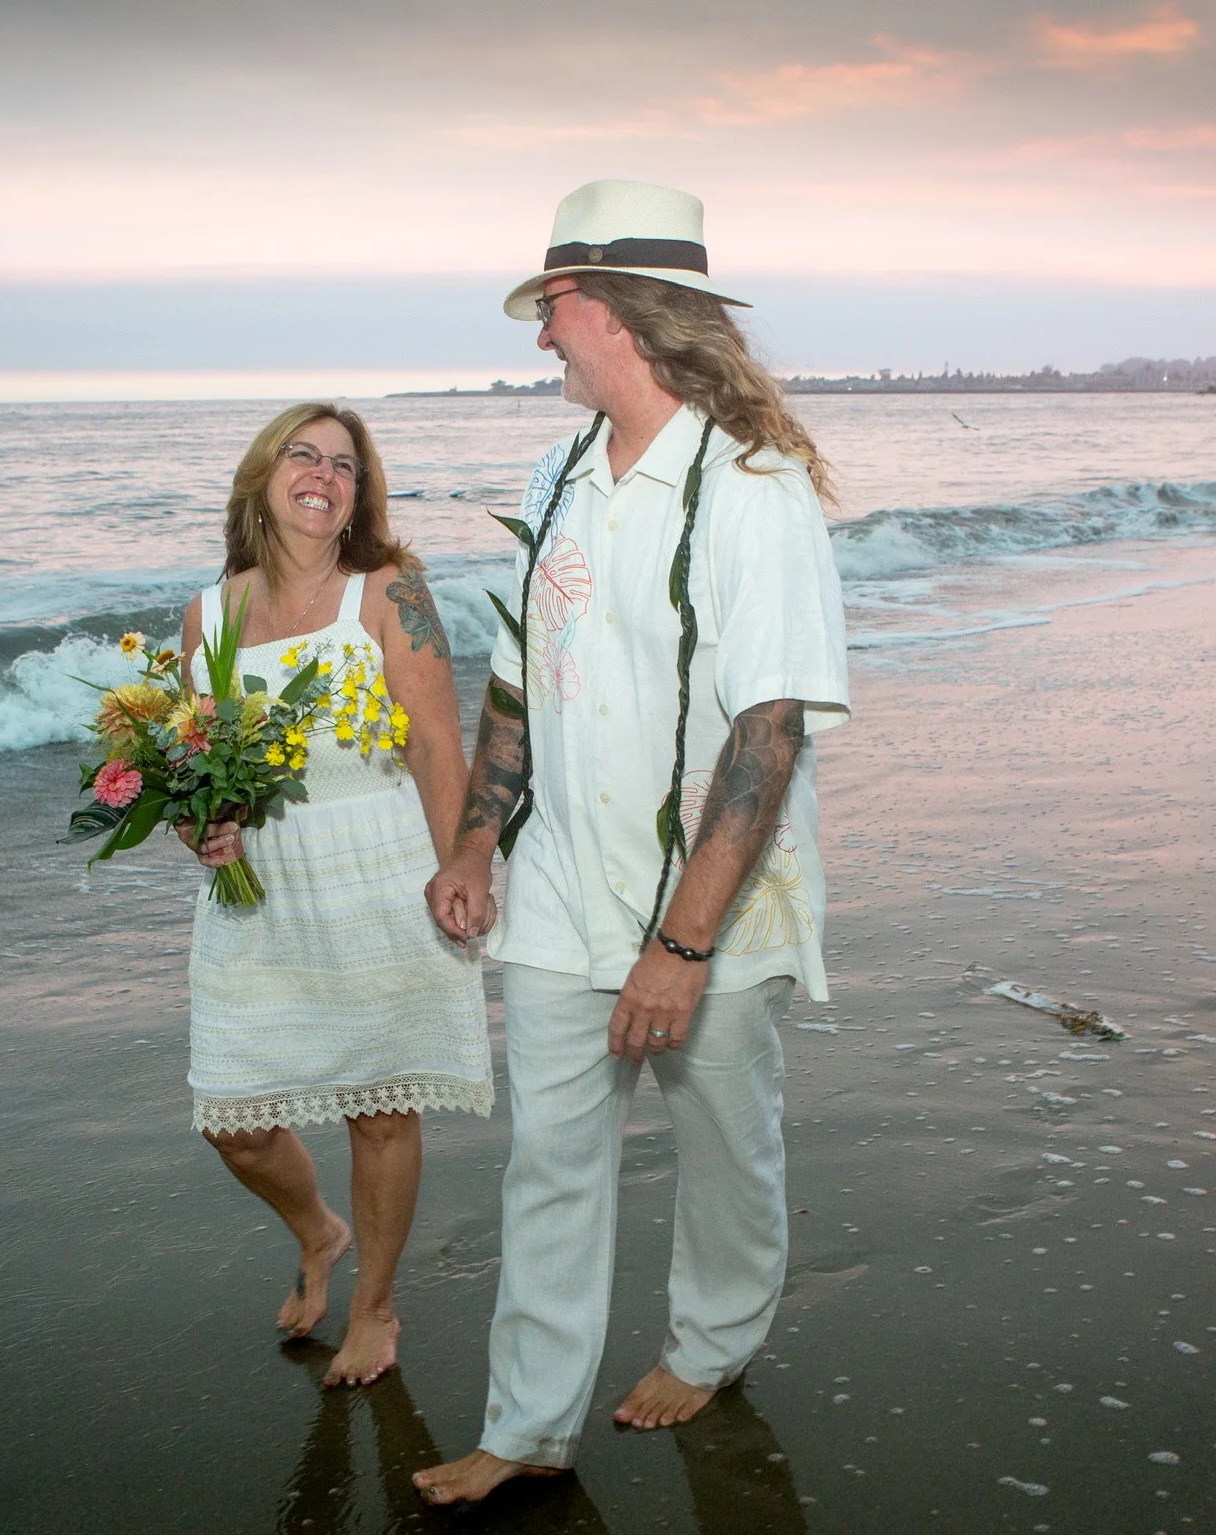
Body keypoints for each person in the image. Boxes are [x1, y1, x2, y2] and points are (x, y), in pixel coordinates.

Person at [414, 180, 849, 1503]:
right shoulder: (554, 473)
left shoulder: (753, 487)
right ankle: (526, 1425)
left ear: (609, 308)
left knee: (723, 1142)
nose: (540, 335)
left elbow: (767, 730)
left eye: (550, 307)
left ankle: (712, 1340)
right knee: (547, 1159)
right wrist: (475, 843)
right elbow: (517, 682)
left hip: (712, 899)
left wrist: (680, 943)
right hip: (557, 883)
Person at [178, 402, 493, 1387]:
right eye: (302, 455)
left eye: (344, 465)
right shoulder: (209, 615)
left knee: (379, 1108)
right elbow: (198, 772)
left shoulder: (389, 592)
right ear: (262, 476)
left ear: (360, 494)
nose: (322, 474)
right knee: (232, 1118)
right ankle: (318, 1228)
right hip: (261, 892)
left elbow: (436, 739)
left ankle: (375, 1305)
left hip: (380, 869)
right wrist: (202, 827)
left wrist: (462, 864)